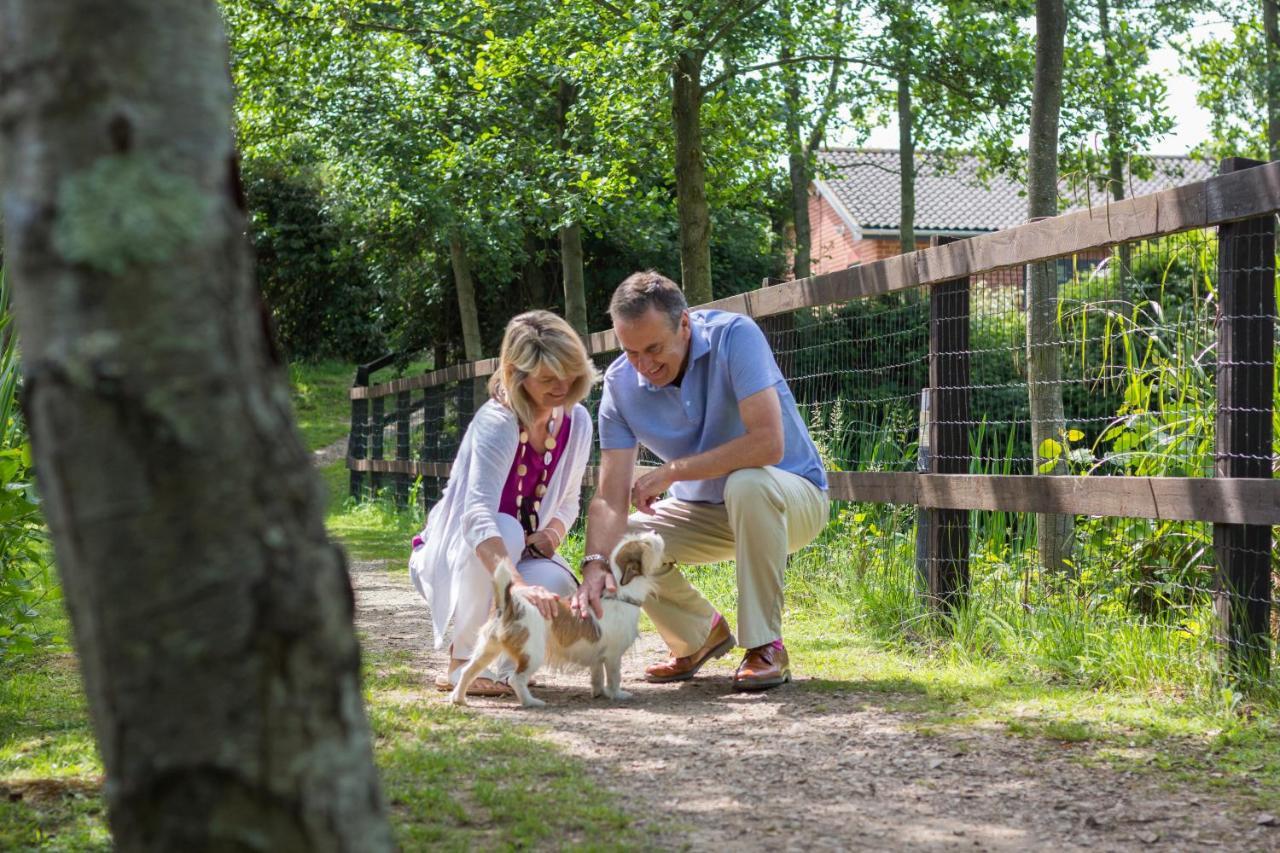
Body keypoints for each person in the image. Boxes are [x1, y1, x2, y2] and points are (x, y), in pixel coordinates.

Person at [571, 271, 829, 691]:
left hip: (790, 497)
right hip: (706, 512)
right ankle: (696, 636)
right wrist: (594, 566)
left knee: (747, 483)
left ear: (685, 324)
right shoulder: (619, 385)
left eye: (654, 348)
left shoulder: (736, 337)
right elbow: (610, 497)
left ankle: (766, 645)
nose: (644, 365)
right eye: (631, 352)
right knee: (623, 540)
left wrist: (673, 471)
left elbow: (768, 444)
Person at [410, 310, 598, 696]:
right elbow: (476, 515)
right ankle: (462, 659)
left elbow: (569, 500)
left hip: (521, 551)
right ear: (517, 373)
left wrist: (551, 534)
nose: (562, 385)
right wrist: (516, 586)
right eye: (548, 378)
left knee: (557, 581)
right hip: (467, 551)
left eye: (570, 373)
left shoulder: (577, 421)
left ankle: (502, 665)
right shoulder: (496, 422)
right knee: (506, 528)